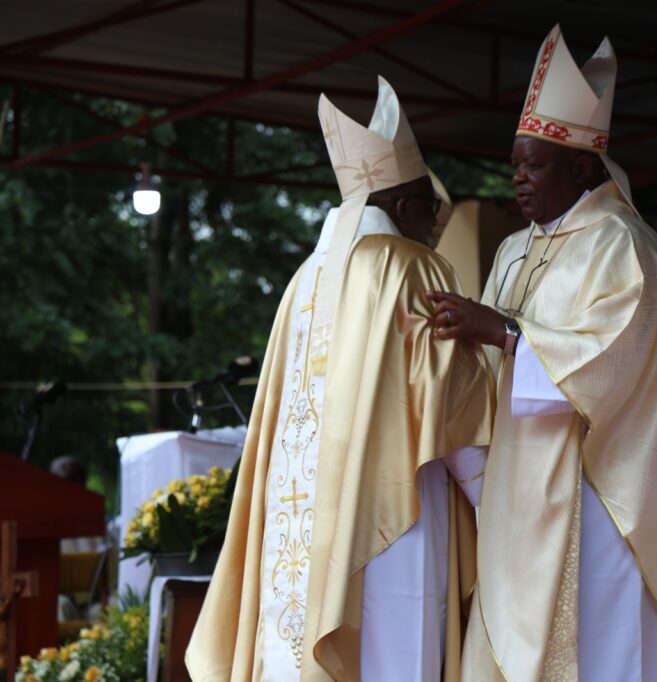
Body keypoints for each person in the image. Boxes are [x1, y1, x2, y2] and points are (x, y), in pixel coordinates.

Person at [428, 25, 657, 681]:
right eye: (515, 163)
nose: (518, 178)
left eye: (534, 163)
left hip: (600, 500)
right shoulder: (513, 250)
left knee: (600, 654)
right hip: (518, 497)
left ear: (583, 166)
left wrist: (502, 333)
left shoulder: (628, 247)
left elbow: (614, 365)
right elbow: (493, 367)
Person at [186, 77, 493, 682]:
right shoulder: (413, 267)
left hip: (297, 529)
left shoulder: (302, 282)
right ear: (403, 207)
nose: (435, 222)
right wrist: (501, 499)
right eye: (430, 207)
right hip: (390, 514)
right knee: (393, 648)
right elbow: (452, 398)